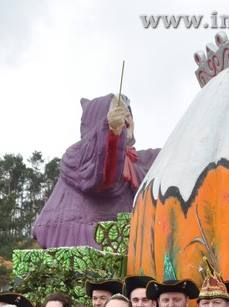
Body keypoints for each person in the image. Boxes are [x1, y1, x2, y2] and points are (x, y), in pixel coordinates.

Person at [32, 93, 161, 249]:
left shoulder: (138, 160)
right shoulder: (81, 152)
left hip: (125, 243)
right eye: (117, 109)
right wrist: (111, 132)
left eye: (128, 112)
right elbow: (104, 178)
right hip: (80, 238)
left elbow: (172, 158)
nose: (126, 114)